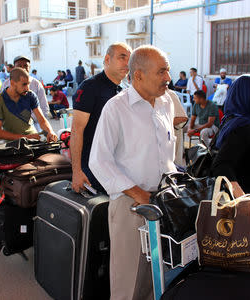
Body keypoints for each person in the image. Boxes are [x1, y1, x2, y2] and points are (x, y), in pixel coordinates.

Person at [89, 45, 175, 300]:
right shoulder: (116, 108)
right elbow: (99, 161)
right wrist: (139, 194)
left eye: (167, 71)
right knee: (128, 280)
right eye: (161, 72)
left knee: (157, 275)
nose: (167, 78)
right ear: (138, 75)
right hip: (131, 204)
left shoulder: (167, 102)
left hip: (162, 200)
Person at [70, 42, 132, 194]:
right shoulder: (89, 87)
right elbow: (76, 131)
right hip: (92, 168)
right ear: (107, 59)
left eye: (129, 60)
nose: (126, 63)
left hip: (117, 166)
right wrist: (77, 171)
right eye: (122, 57)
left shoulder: (125, 90)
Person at [212, 75, 250, 198]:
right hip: (238, 198)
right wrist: (241, 197)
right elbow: (221, 166)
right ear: (249, 95)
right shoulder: (242, 127)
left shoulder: (234, 119)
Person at [0, 68, 57, 142]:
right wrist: (26, 137)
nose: (27, 88)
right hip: (13, 144)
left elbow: (42, 120)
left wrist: (50, 131)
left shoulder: (30, 95)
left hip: (33, 139)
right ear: (12, 83)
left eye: (28, 84)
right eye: (24, 84)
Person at [0, 56, 49, 128]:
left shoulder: (36, 84)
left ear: (29, 67)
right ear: (14, 68)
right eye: (19, 66)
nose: (23, 68)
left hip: (33, 126)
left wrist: (29, 120)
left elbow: (44, 108)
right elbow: (1, 109)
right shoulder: (6, 84)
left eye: (25, 66)